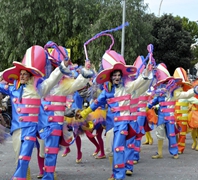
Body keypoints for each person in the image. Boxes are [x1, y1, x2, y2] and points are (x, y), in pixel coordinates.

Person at [77, 50, 153, 180]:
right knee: (112, 149)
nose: (117, 77)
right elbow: (95, 104)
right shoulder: (106, 91)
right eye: (114, 75)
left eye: (119, 75)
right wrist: (84, 113)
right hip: (113, 124)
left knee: (118, 148)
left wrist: (146, 72)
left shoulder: (127, 87)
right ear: (111, 77)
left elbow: (139, 82)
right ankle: (116, 173)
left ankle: (120, 175)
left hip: (125, 124)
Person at [0, 45, 69, 180]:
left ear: (31, 76)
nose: (23, 76)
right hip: (17, 128)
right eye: (21, 74)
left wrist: (62, 66)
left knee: (30, 154)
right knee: (19, 157)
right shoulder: (13, 89)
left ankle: (39, 175)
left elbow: (52, 80)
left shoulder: (39, 88)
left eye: (26, 74)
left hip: (33, 128)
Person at [37, 43, 93, 180]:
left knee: (51, 152)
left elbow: (78, 84)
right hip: (42, 122)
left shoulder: (64, 86)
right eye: (52, 66)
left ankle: (48, 175)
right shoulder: (42, 83)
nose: (53, 69)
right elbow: (47, 83)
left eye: (56, 66)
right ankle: (40, 172)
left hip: (56, 123)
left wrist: (85, 71)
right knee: (42, 151)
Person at [148, 63, 198, 159]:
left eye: (165, 82)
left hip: (170, 117)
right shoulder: (159, 95)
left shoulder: (174, 93)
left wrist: (194, 91)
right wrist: (148, 105)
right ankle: (159, 153)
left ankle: (174, 152)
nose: (163, 85)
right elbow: (153, 102)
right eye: (162, 83)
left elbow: (185, 95)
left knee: (171, 134)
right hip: (161, 116)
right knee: (159, 134)